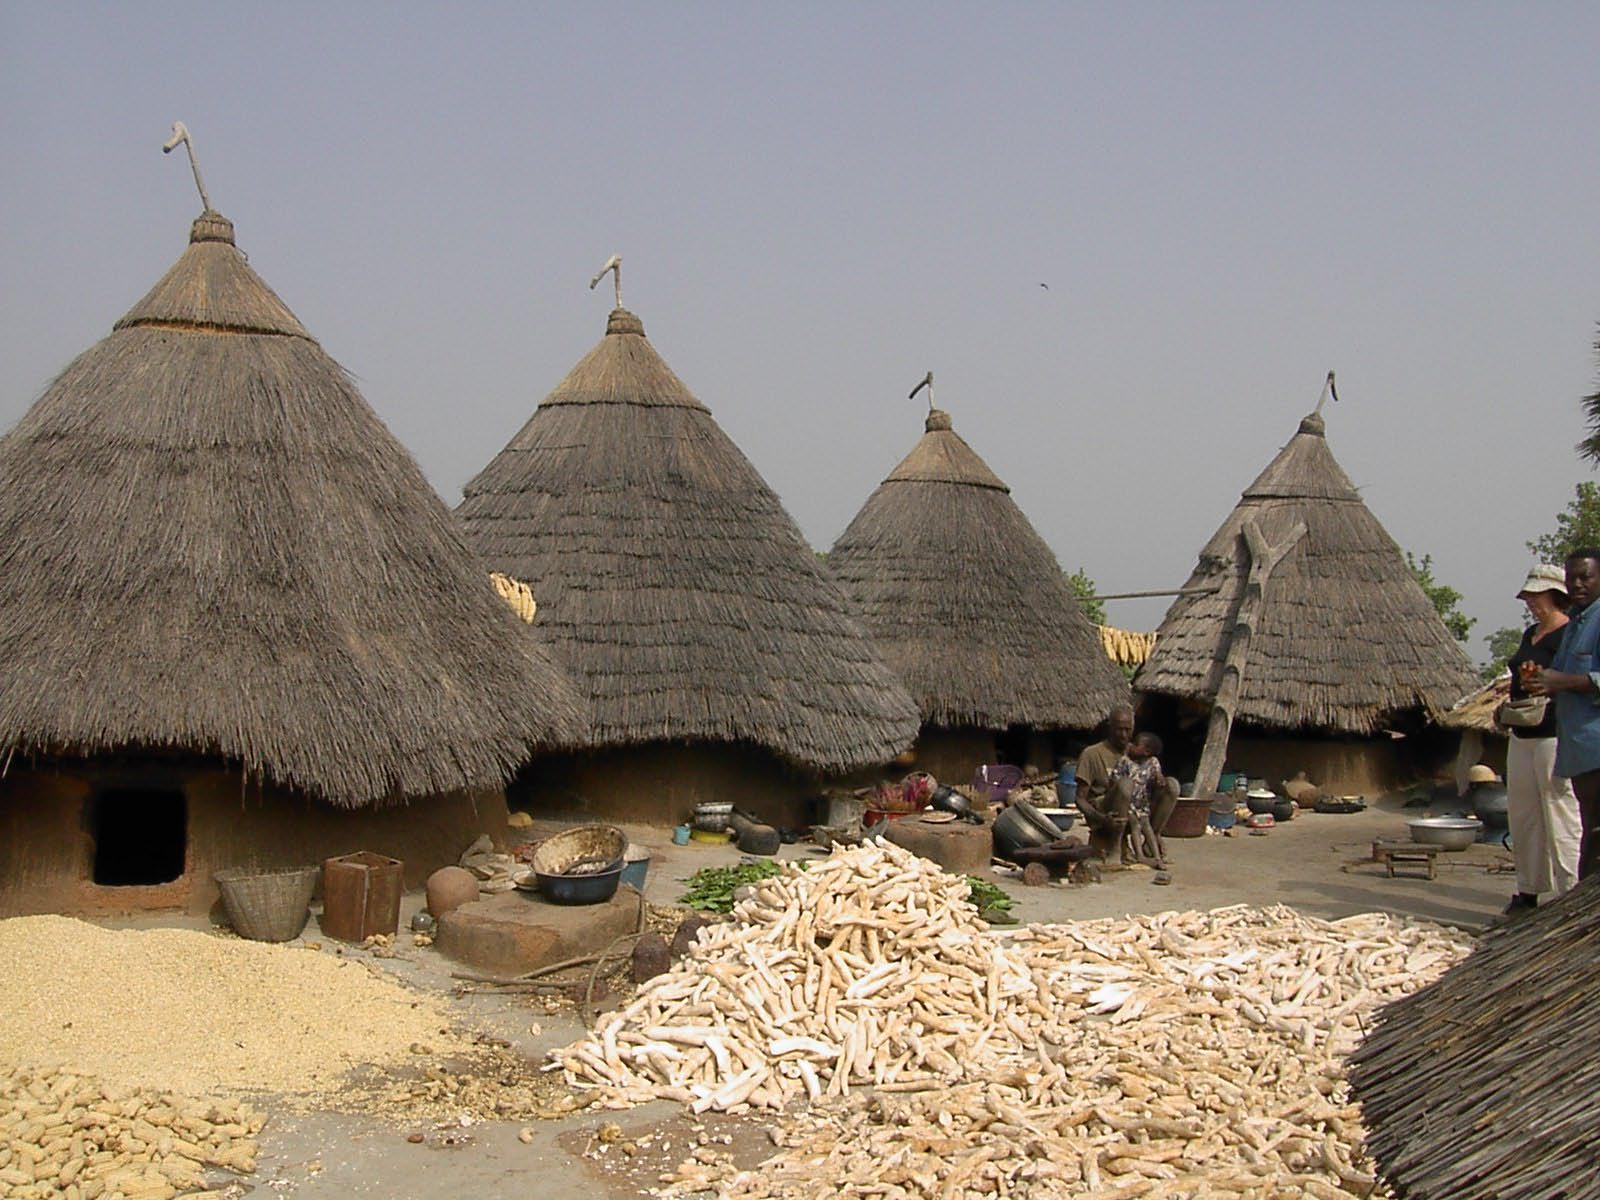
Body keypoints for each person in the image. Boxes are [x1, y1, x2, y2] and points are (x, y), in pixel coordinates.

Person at [1495, 564, 1580, 915]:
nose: (1532, 603)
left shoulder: (1570, 634)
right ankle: (1528, 889)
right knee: (1524, 814)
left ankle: (1570, 892)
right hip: (1523, 732)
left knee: (1560, 811)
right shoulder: (1531, 633)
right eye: (1529, 597)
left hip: (1553, 734)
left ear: (1554, 596)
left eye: (1537, 596)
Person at [1527, 548, 1600, 881]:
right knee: (1590, 830)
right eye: (1571, 578)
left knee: (1592, 836)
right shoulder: (1576, 625)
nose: (1578, 585)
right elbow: (1562, 675)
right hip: (1578, 747)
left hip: (1596, 745)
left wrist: (1563, 680)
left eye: (1586, 576)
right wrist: (1543, 680)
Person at [1075, 707, 1180, 860]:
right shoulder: (1091, 754)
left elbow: (1152, 779)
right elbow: (1079, 799)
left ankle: (1153, 836)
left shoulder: (1141, 751)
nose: (1123, 735)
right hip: (1108, 811)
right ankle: (1116, 845)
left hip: (1137, 808)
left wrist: (1159, 782)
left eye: (1127, 730)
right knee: (1125, 784)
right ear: (1109, 727)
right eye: (1118, 729)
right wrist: (1099, 818)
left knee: (1173, 785)